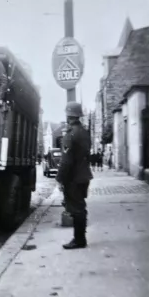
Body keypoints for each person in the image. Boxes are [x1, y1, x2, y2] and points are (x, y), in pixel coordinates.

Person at [56, 102, 93, 249]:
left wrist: (59, 178)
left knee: (76, 209)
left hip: (73, 178)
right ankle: (80, 238)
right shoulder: (84, 132)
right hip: (84, 176)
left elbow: (66, 161)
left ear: (68, 115)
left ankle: (79, 240)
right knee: (80, 207)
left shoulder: (70, 135)